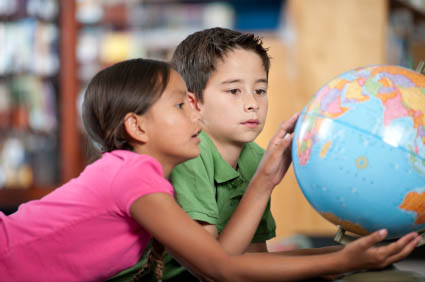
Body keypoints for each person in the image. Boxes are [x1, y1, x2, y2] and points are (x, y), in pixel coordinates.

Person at [0, 58, 420, 282]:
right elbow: (221, 270)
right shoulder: (132, 176)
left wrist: (266, 182)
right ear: (137, 125)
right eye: (181, 104)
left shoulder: (143, 179)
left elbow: (221, 258)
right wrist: (337, 262)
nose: (195, 115)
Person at [108, 28, 422, 282]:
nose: (252, 104)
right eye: (234, 91)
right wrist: (264, 183)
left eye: (260, 89)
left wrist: (351, 260)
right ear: (193, 103)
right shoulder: (189, 157)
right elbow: (216, 269)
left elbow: (254, 261)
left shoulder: (253, 158)